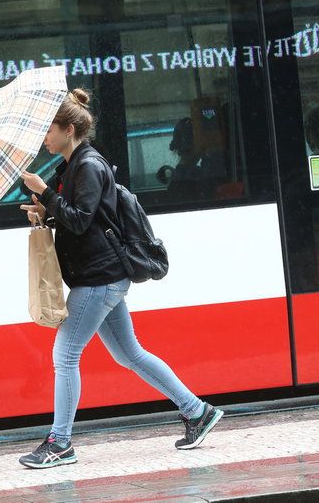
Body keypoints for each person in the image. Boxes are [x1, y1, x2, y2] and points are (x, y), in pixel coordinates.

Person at [16, 88, 223, 469]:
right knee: (128, 353)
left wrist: (45, 192)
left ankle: (60, 443)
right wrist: (44, 209)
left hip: (100, 277)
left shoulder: (89, 166)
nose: (43, 138)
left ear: (68, 128)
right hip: (99, 274)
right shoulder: (72, 165)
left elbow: (79, 219)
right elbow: (82, 218)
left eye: (48, 129)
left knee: (65, 355)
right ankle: (198, 412)